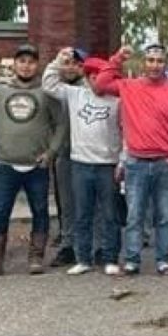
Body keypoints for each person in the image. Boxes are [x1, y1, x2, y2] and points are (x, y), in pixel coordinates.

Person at [0, 43, 67, 279]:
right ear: (14, 64)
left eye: (31, 61)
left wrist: (51, 152)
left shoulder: (46, 93)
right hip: (4, 164)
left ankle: (36, 257)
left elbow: (61, 124)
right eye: (21, 61)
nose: (26, 66)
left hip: (36, 165)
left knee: (40, 211)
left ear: (36, 64)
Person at [97, 44, 168, 276]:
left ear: (165, 64)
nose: (154, 65)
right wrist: (118, 57)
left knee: (164, 215)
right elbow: (100, 84)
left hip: (165, 162)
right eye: (150, 60)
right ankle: (132, 260)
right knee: (134, 215)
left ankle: (163, 260)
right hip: (136, 162)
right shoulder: (129, 87)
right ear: (143, 63)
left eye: (159, 61)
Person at [44, 50, 125, 275]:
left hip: (107, 164)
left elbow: (125, 130)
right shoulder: (75, 94)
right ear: (87, 77)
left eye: (100, 76)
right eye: (91, 76)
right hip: (80, 163)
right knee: (82, 213)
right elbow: (49, 84)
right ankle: (83, 258)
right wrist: (59, 59)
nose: (95, 80)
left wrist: (122, 160)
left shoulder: (117, 101)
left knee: (109, 214)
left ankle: (109, 257)